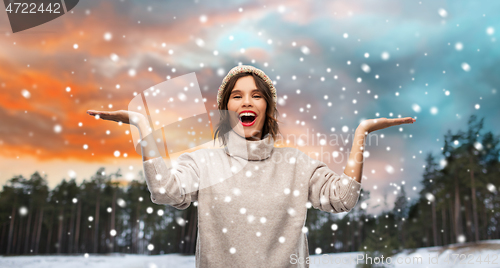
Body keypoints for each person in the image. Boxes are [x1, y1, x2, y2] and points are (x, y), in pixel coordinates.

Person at [87, 65, 416, 267]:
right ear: (225, 109)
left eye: (256, 96)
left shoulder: (296, 164)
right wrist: (143, 127)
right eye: (237, 96)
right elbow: (164, 190)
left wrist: (361, 134)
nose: (246, 101)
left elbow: (343, 199)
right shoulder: (202, 161)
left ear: (268, 110)